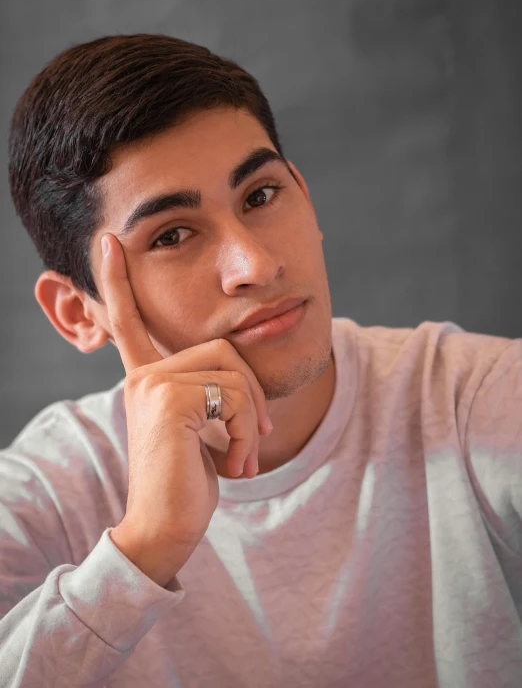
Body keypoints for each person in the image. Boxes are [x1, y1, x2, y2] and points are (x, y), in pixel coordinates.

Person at [1, 34, 521, 688]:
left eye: (260, 195)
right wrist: (143, 549)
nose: (257, 263)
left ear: (304, 193)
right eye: (173, 234)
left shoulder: (479, 398)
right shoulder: (47, 489)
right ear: (80, 312)